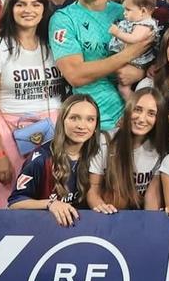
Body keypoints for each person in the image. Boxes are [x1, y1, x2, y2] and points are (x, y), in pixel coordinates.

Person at [0, 0, 64, 207]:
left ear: (44, 9)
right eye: (21, 4)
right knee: (13, 199)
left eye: (36, 4)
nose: (29, 10)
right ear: (10, 9)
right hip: (10, 132)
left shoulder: (55, 46)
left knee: (55, 195)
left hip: (56, 129)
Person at [50, 0, 151, 132]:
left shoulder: (125, 12)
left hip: (135, 120)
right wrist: (128, 54)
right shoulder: (63, 19)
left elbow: (152, 53)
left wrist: (141, 72)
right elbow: (75, 75)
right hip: (92, 124)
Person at [9, 94, 102, 226]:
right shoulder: (41, 158)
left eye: (90, 119)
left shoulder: (97, 155)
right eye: (74, 118)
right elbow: (14, 203)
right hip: (46, 229)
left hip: (86, 228)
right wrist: (50, 204)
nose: (82, 126)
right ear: (62, 120)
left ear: (96, 125)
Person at [86, 88, 169, 211]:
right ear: (129, 109)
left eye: (151, 113)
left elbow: (152, 197)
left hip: (139, 216)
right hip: (108, 214)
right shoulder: (104, 140)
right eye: (137, 109)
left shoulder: (159, 149)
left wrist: (151, 222)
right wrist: (102, 209)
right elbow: (93, 189)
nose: (141, 119)